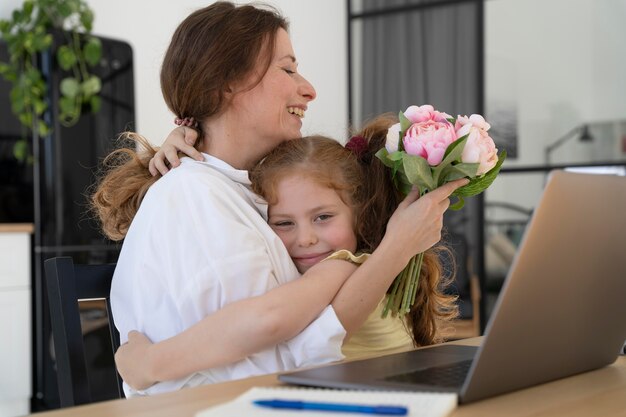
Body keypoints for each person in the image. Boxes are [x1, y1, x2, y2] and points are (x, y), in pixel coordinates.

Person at [92, 1, 466, 396]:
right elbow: (276, 361)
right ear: (226, 83)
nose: (308, 89)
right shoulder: (194, 193)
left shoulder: (254, 192)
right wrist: (394, 249)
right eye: (287, 68)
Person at [113, 115, 460, 391]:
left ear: (359, 214)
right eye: (283, 224)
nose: (306, 239)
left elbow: (268, 317)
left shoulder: (342, 268)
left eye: (323, 218)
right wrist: (187, 139)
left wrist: (150, 364)